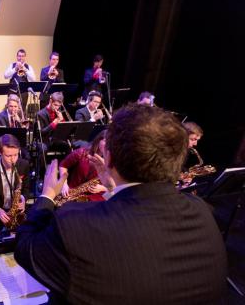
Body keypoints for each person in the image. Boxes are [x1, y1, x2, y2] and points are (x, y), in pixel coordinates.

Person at [15, 104, 227, 304]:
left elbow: (25, 248)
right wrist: (111, 190)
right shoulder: (203, 211)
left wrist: (47, 197)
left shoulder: (74, 223)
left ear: (108, 158)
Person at [59, 130, 108, 202]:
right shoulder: (81, 153)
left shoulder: (112, 161)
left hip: (97, 197)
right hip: (72, 193)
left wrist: (103, 188)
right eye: (105, 141)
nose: (108, 145)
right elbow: (63, 166)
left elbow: (118, 185)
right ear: (98, 140)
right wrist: (64, 184)